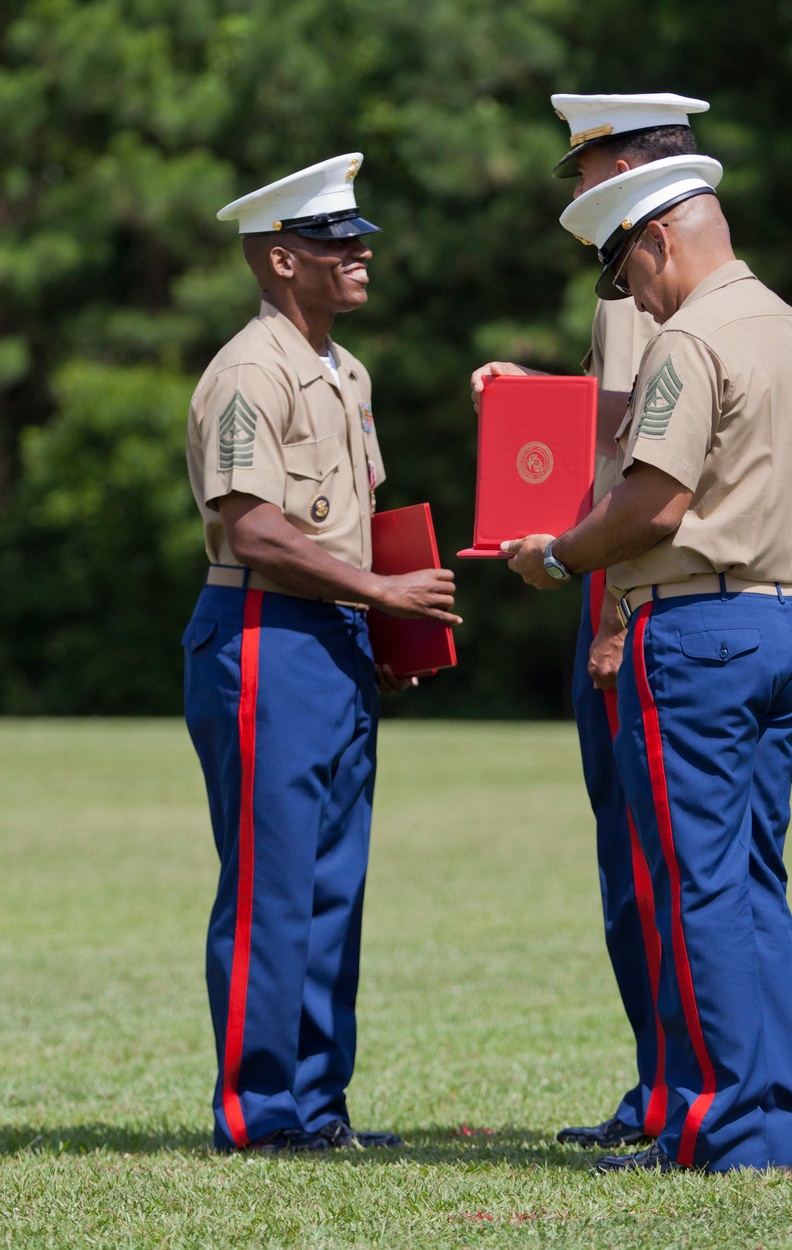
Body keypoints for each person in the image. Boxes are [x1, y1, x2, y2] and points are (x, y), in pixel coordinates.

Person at [504, 154, 792, 1173]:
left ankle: (709, 1127)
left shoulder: (690, 340)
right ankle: (762, 1122)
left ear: (656, 240)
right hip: (783, 623)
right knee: (751, 881)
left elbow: (654, 502)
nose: (633, 299)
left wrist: (556, 557)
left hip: (695, 632)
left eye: (627, 274)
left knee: (691, 887)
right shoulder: (789, 327)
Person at [183, 153, 461, 1154]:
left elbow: (360, 519)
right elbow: (251, 526)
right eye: (338, 243)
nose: (362, 255)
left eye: (361, 239)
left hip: (333, 637)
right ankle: (259, 1114)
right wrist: (381, 592)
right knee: (272, 882)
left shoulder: (347, 372)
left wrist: (385, 625)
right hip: (263, 632)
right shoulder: (250, 371)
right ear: (280, 260)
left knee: (332, 882)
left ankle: (315, 1102)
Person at [470, 93, 710, 1151]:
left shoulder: (648, 282)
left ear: (631, 170)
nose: (574, 190)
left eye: (587, 168)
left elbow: (643, 476)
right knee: (633, 864)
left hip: (633, 595)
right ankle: (663, 1083)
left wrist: (609, 619)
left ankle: (673, 1091)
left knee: (649, 861)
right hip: (625, 589)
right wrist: (535, 396)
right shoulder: (637, 284)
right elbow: (619, 425)